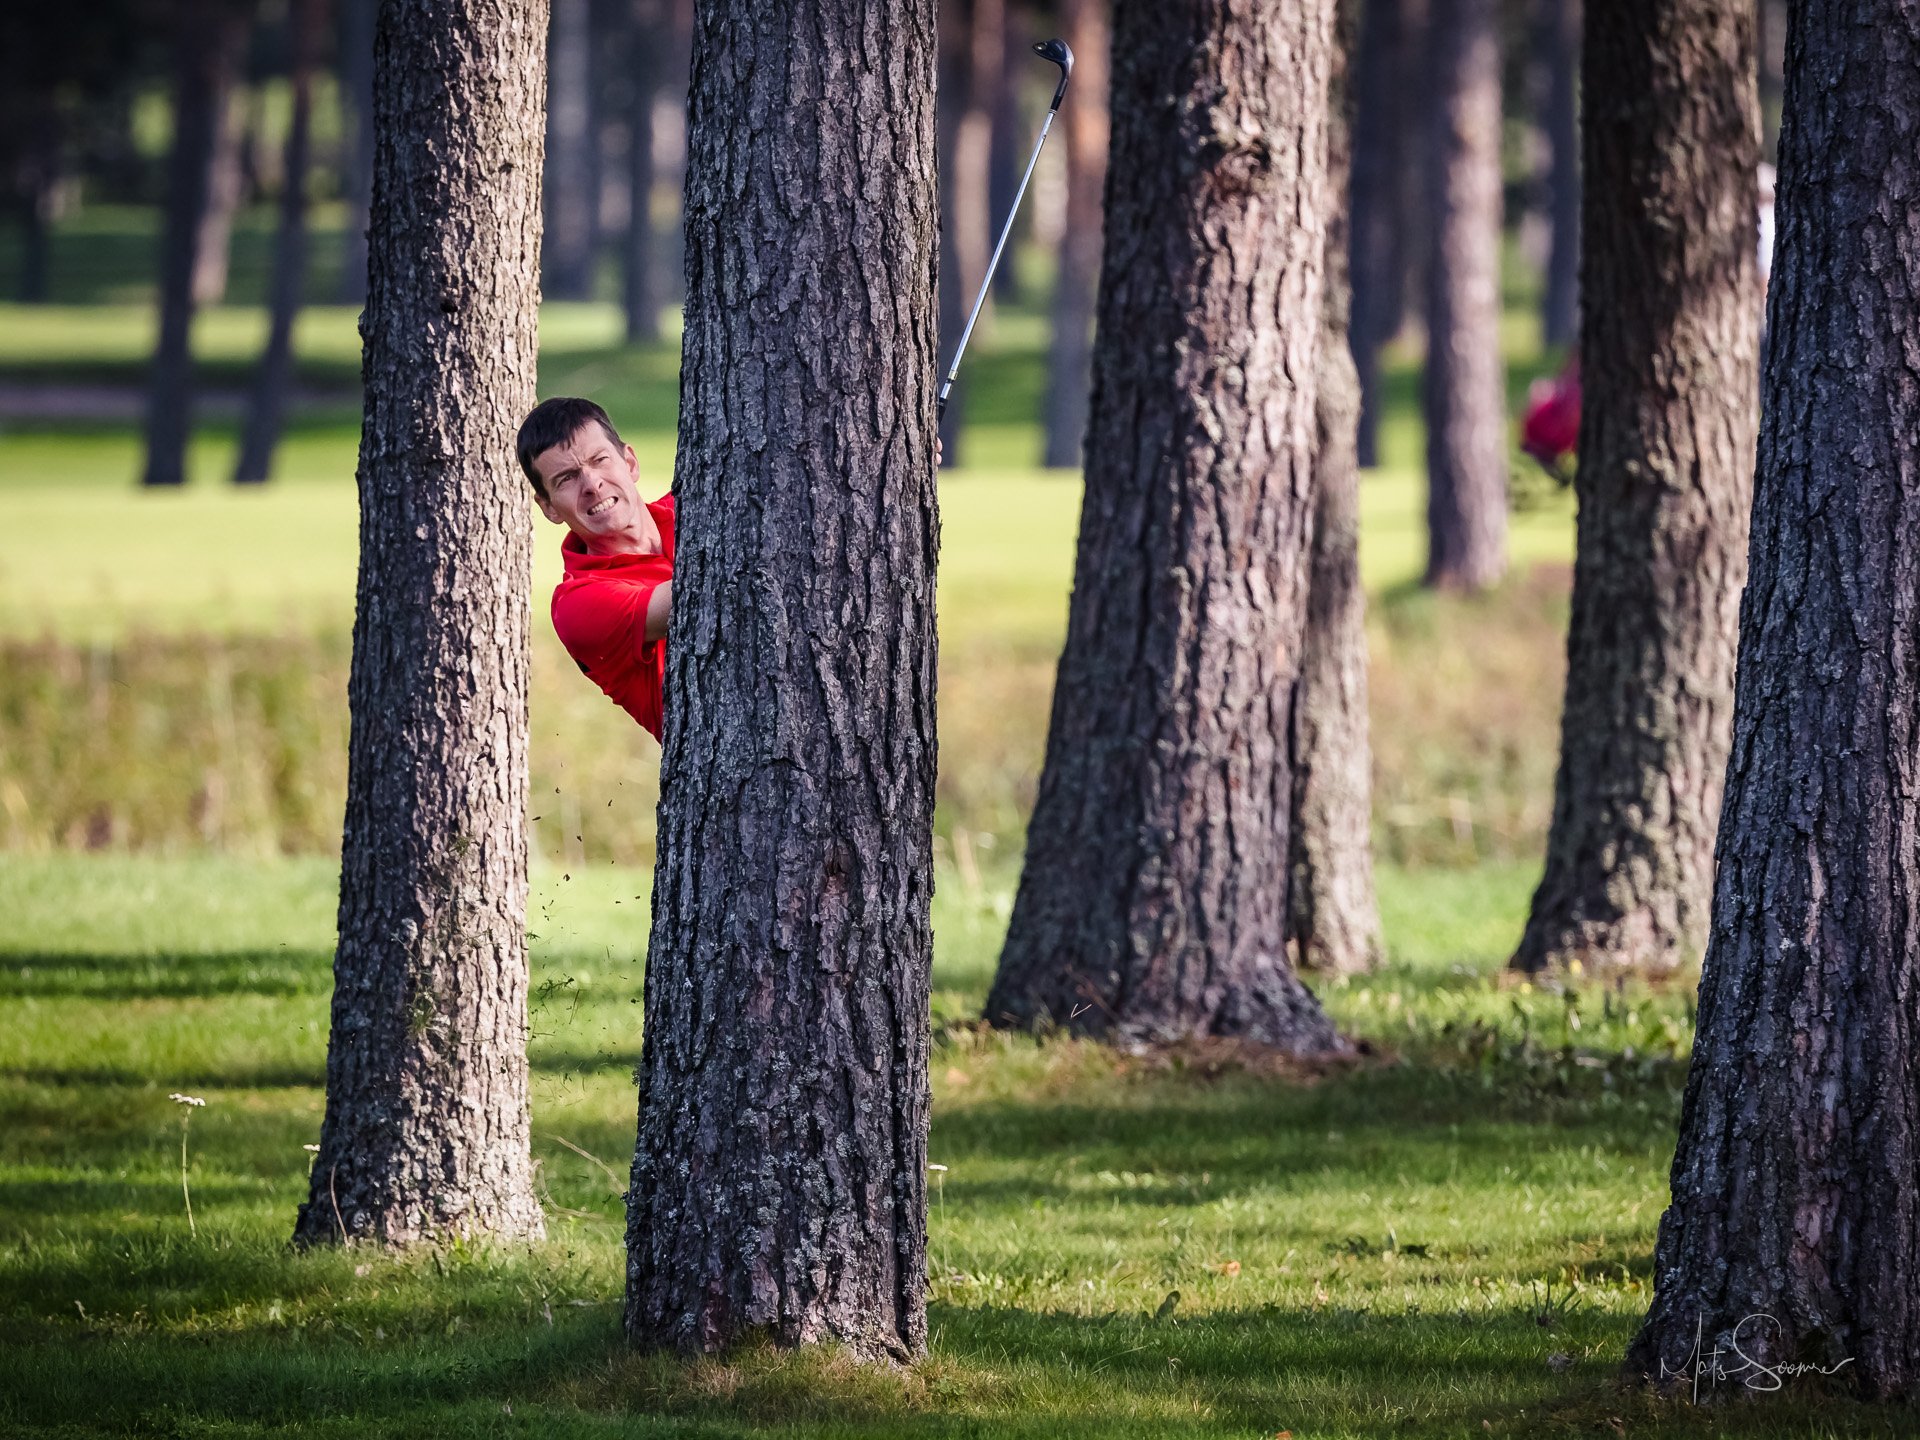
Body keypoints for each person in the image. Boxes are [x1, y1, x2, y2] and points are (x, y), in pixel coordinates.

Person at [518, 396, 675, 741]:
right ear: (548, 507)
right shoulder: (577, 604)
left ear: (630, 462)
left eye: (599, 460)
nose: (591, 485)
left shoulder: (694, 508)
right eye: (566, 479)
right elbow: (700, 599)